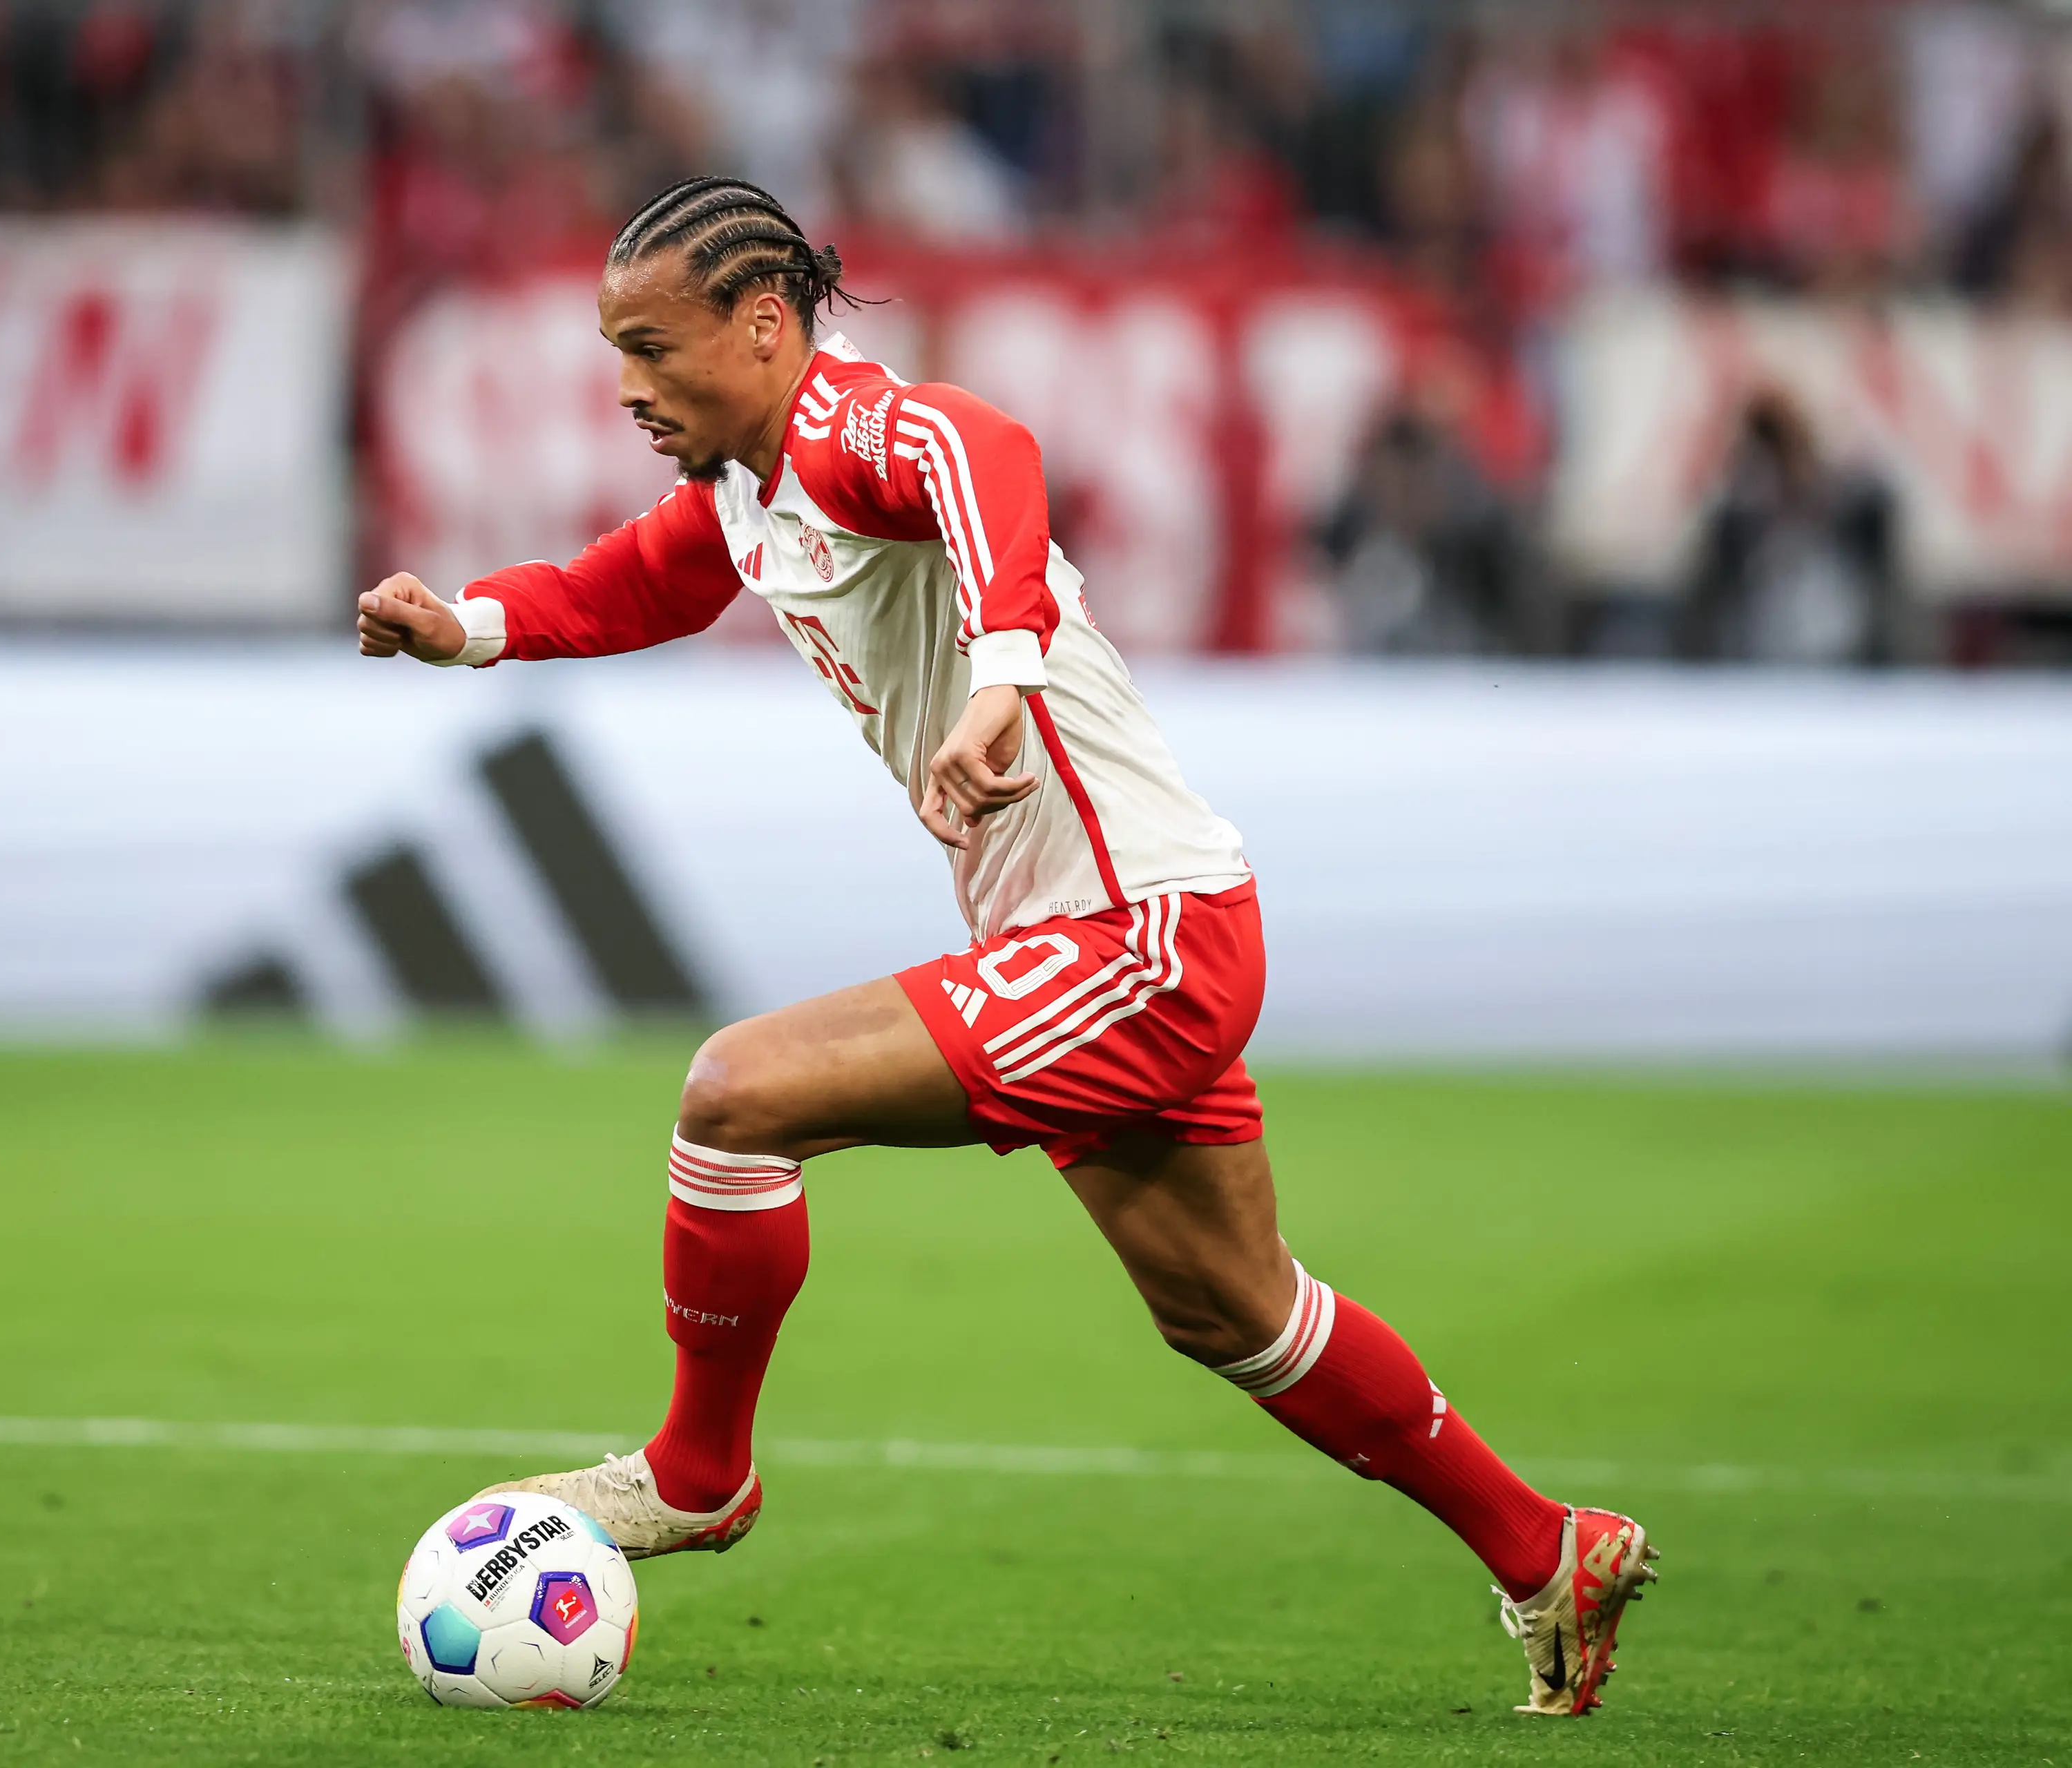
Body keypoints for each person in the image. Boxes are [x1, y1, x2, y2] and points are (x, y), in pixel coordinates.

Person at [356, 176, 1657, 1717]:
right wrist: (473, 629)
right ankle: (1545, 1548)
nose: (629, 386)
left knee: (732, 1097)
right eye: (612, 352)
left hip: (1138, 933)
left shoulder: (851, 427)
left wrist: (999, 673)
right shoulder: (751, 486)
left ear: (765, 326)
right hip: (1129, 929)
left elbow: (992, 451)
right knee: (1242, 1312)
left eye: (653, 348)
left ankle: (701, 1472)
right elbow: (631, 583)